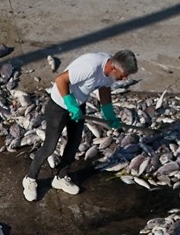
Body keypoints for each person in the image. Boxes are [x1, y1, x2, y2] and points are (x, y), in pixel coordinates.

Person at [22, 49, 137, 202]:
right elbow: (60, 80)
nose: (125, 78)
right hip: (59, 105)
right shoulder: (90, 66)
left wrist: (108, 113)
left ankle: (60, 177)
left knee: (74, 142)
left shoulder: (110, 71)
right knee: (50, 146)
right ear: (114, 68)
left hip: (78, 105)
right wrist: (70, 104)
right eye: (124, 75)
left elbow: (104, 88)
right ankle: (30, 179)